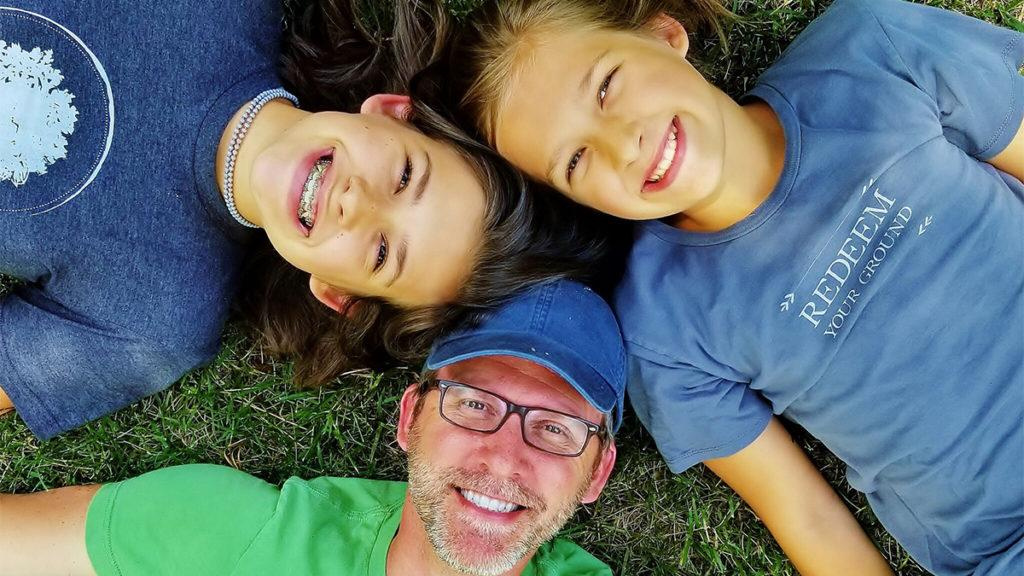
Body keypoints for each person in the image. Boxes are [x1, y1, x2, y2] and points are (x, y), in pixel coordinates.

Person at [415, 0, 1024, 574]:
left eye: (606, 87)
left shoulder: (869, 51)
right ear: (574, 202)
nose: (622, 143)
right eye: (575, 161)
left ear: (664, 33)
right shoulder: (660, 331)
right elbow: (803, 513)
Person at [0, 0, 608, 439]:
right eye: (404, 177)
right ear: (393, 113)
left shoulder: (155, 322)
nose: (356, 202)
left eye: (380, 254)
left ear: (336, 293)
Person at [0, 279, 625, 576]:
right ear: (410, 417)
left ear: (597, 471)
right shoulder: (238, 537)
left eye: (554, 429)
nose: (503, 458)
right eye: (474, 404)